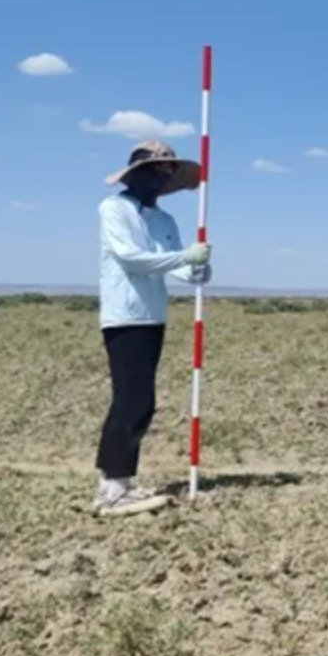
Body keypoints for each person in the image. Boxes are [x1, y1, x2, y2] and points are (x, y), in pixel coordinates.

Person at [95, 141, 212, 516]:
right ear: (135, 174)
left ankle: (120, 482)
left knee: (142, 401)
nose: (162, 178)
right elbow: (131, 258)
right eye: (155, 170)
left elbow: (173, 265)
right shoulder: (114, 209)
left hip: (153, 316)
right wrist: (183, 257)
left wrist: (195, 269)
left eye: (167, 172)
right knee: (130, 400)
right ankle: (112, 489)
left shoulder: (164, 221)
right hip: (124, 315)